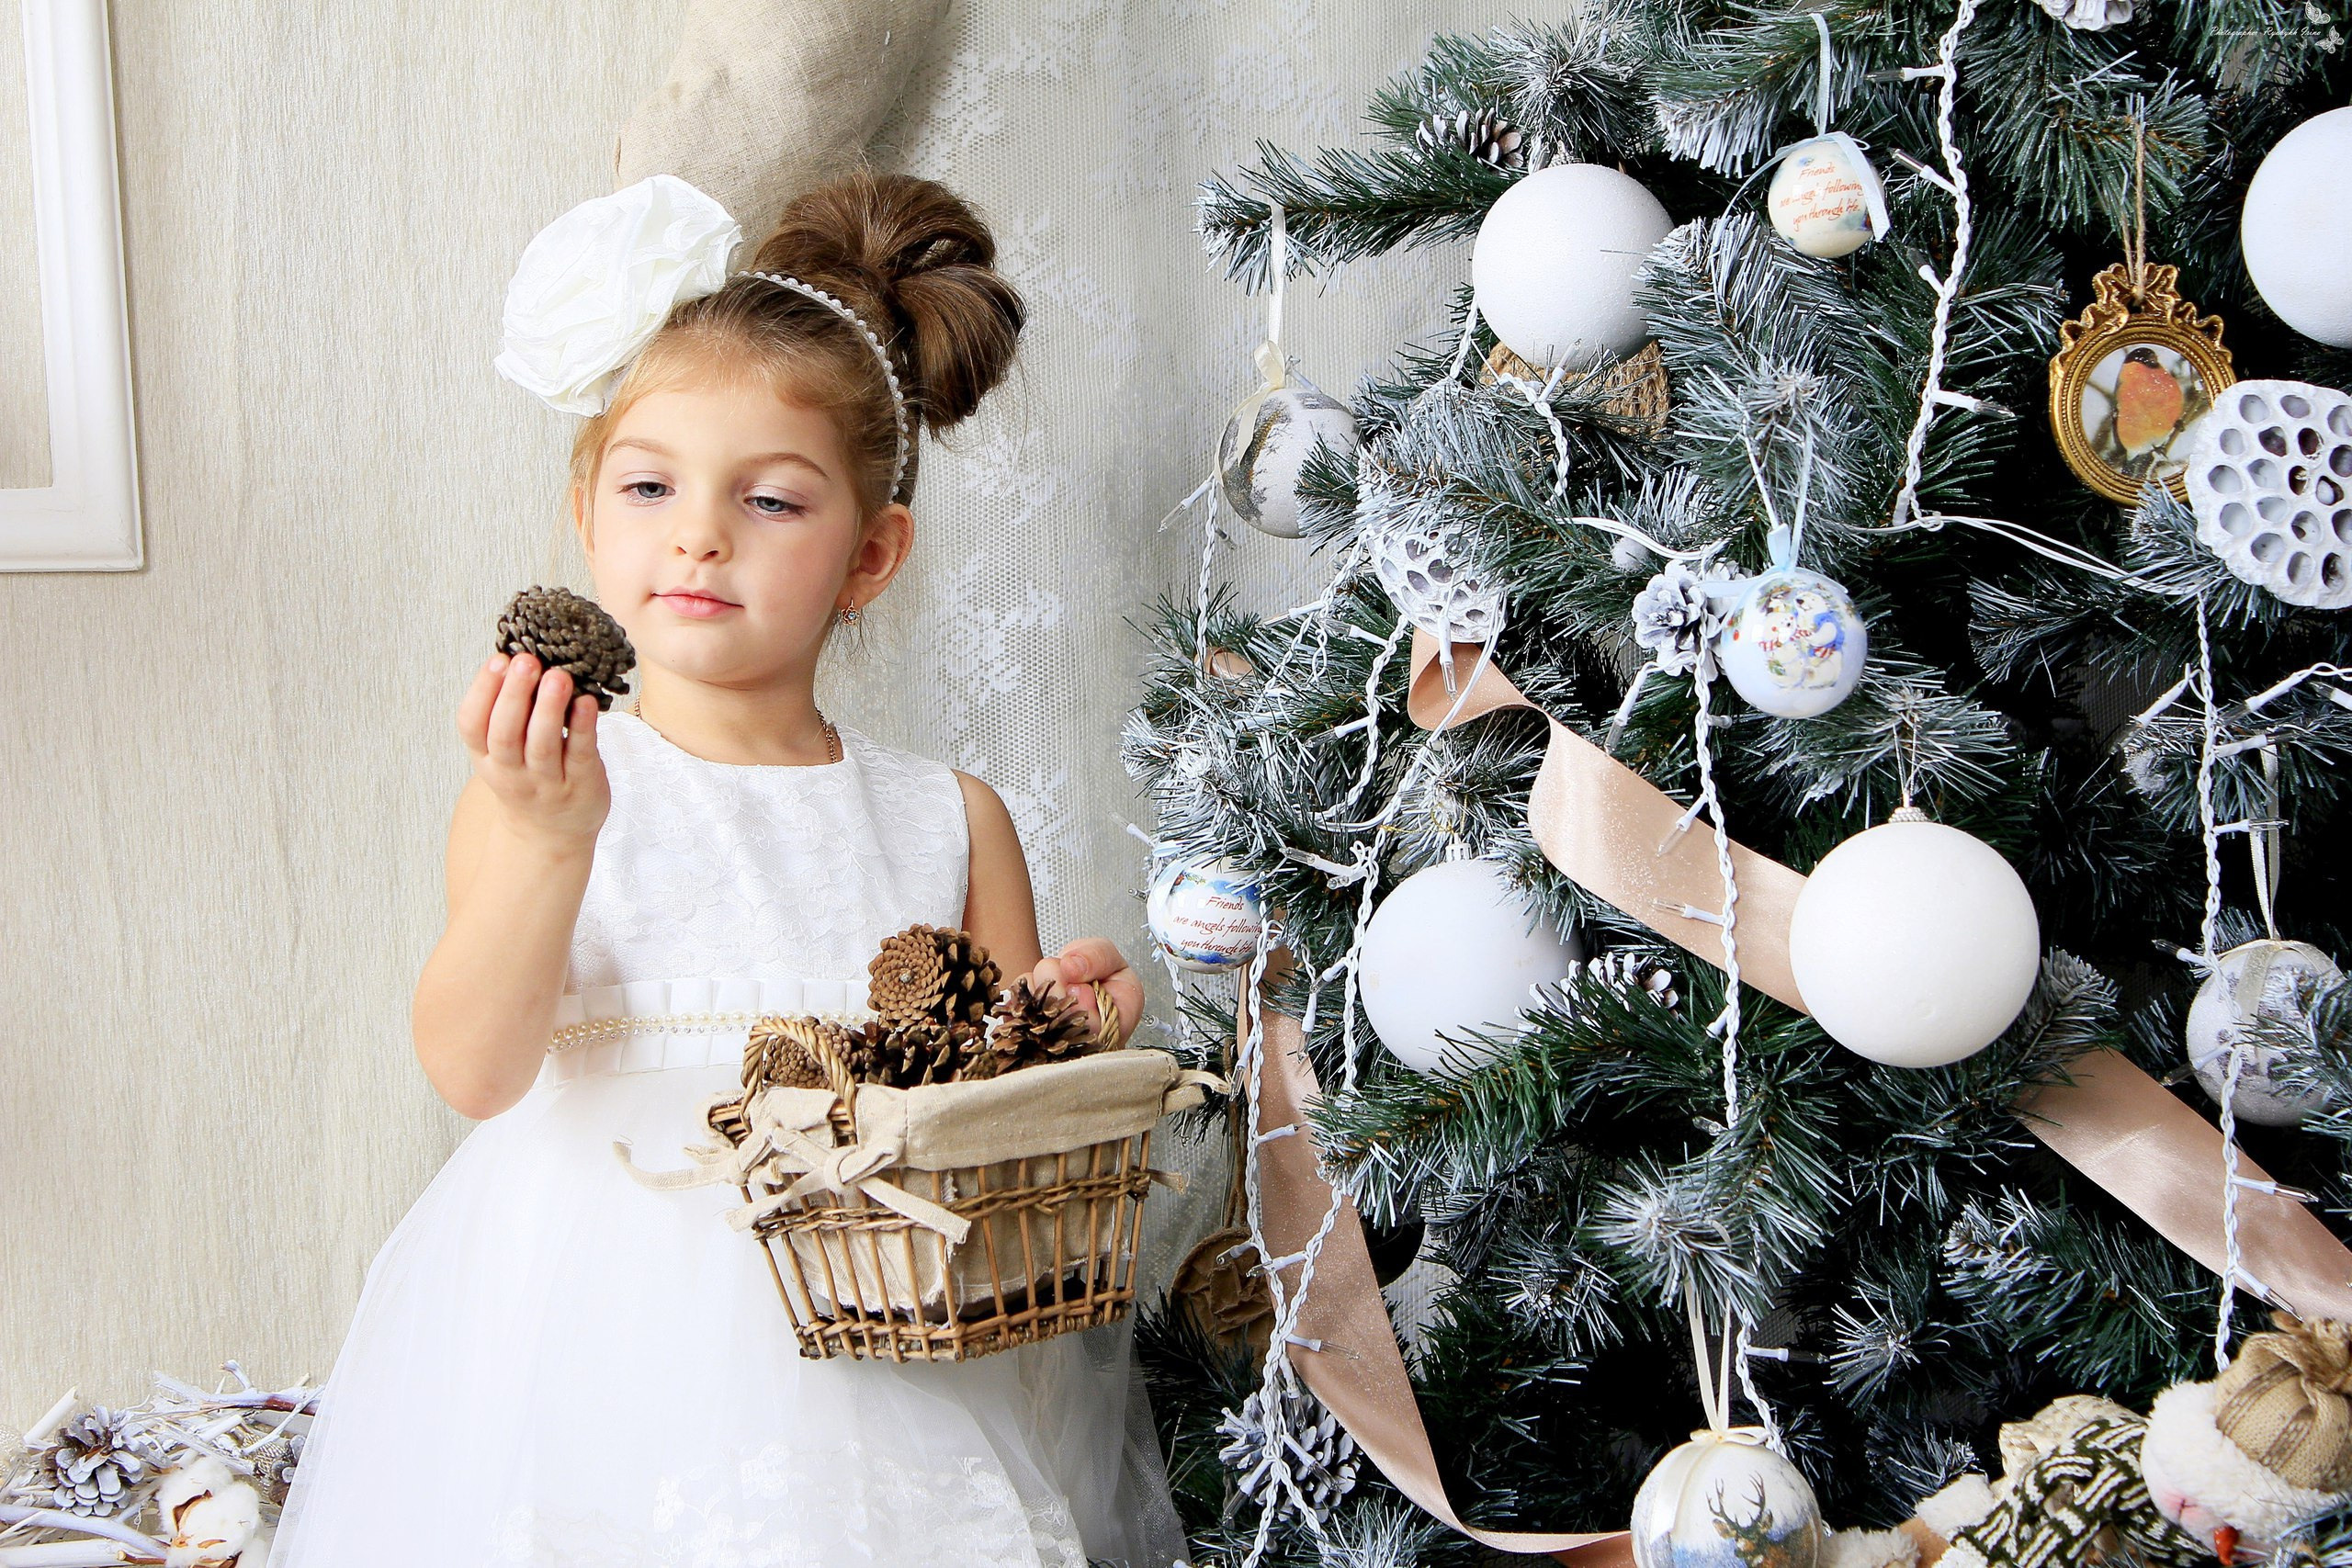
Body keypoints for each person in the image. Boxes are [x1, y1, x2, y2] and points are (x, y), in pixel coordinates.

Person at [272, 168, 1186, 1567]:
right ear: (588, 510)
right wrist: (548, 840)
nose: (698, 532)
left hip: (870, 1364)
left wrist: (1077, 1024)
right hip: (583, 1345)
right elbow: (472, 1070)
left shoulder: (949, 816)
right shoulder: (558, 783)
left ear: (870, 555)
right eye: (650, 485)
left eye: (770, 500)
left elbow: (1002, 1130)